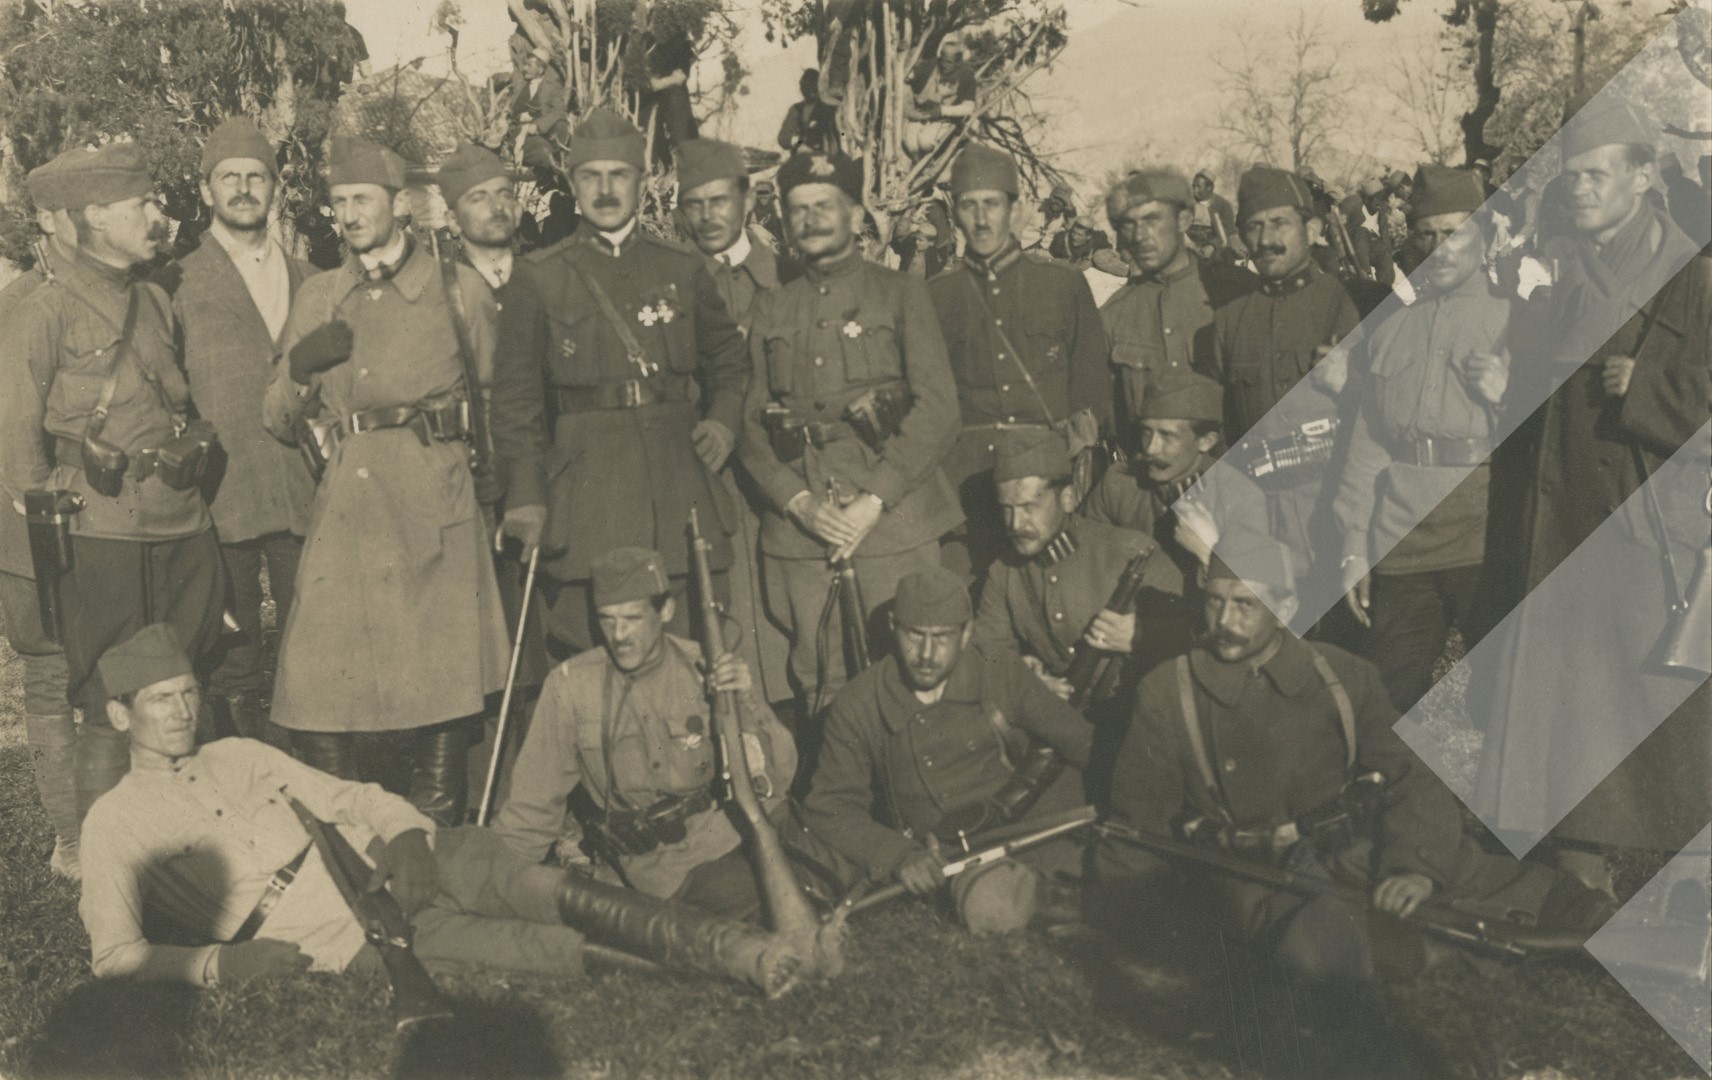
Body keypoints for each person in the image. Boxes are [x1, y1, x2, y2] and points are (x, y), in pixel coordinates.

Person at [1094, 545, 1616, 1077]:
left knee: (1528, 894)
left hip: (1354, 850)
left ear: (1286, 606)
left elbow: (1410, 774)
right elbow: (1137, 821)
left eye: (1245, 605)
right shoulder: (1169, 692)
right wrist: (1126, 914)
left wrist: (1414, 866)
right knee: (1320, 955)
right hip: (1261, 877)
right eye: (1214, 601)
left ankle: (1627, 934)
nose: (1224, 620)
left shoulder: (1341, 675)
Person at [78, 624, 797, 995]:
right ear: (118, 714)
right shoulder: (114, 823)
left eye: (188, 693)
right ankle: (741, 962)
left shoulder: (237, 753)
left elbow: (353, 798)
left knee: (543, 891)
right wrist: (220, 967)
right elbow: (114, 957)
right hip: (347, 937)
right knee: (528, 949)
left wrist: (405, 837)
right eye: (160, 700)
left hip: (401, 860)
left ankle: (748, 949)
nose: (182, 712)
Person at [1472, 93, 1710, 896]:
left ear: (1644, 177)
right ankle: (1577, 871)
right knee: (1567, 710)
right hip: (1560, 525)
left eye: (1597, 174)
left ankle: (1676, 881)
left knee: (1655, 719)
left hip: (1647, 530)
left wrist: (1650, 390)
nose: (1578, 189)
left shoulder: (1695, 280)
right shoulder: (1561, 279)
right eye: (1569, 176)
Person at [262, 136, 510, 827]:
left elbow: (498, 400)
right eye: (339, 201)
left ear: (399, 204)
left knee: (441, 675)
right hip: (349, 504)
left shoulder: (457, 290)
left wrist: (494, 495)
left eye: (362, 199)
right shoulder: (319, 295)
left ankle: (436, 833)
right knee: (316, 673)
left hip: (434, 498)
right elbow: (276, 418)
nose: (349, 215)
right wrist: (301, 367)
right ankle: (345, 835)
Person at [0, 141, 228, 825]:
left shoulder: (154, 300)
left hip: (182, 520)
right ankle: (106, 852)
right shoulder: (42, 310)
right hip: (102, 532)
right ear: (96, 215)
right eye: (142, 204)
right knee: (110, 697)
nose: (157, 216)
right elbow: (16, 438)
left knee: (185, 679)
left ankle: (187, 837)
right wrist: (62, 511)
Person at [492, 109, 750, 655]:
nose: (605, 190)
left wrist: (723, 422)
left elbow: (730, 359)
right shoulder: (539, 277)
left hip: (678, 490)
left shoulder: (681, 268)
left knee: (692, 649)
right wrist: (527, 495)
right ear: (573, 183)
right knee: (588, 651)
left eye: (619, 175)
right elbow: (516, 401)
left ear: (641, 181)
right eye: (591, 176)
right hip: (588, 500)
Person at [737, 150, 962, 713]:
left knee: (910, 679)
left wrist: (875, 499)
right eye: (798, 209)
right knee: (823, 683)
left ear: (857, 214)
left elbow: (938, 409)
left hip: (893, 522)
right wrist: (798, 503)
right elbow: (747, 423)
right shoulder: (771, 308)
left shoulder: (900, 293)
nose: (811, 219)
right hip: (803, 532)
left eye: (825, 206)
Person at [492, 547, 797, 917]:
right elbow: (531, 810)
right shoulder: (571, 687)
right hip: (663, 870)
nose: (618, 635)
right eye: (606, 619)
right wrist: (491, 884)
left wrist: (746, 699)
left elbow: (780, 775)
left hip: (730, 835)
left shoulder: (705, 667)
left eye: (632, 618)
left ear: (665, 611)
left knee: (812, 874)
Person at [799, 567, 1093, 933]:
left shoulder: (998, 670)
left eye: (941, 637)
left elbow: (1082, 742)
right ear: (893, 627)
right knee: (990, 905)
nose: (926, 654)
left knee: (1112, 863)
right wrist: (899, 855)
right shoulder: (858, 704)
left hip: (1038, 823)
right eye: (914, 634)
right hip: (960, 855)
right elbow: (829, 807)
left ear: (966, 633)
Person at [156, 118, 314, 746]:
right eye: (229, 177)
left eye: (256, 176)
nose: (244, 188)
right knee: (231, 651)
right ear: (205, 189)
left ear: (275, 186)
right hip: (223, 493)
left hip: (304, 488)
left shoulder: (310, 277)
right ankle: (237, 772)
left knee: (314, 634)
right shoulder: (176, 282)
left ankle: (311, 771)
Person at [1334, 165, 1511, 712]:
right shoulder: (1390, 327)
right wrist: (1353, 544)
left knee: (1506, 701)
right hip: (1402, 537)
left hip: (1485, 536)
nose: (1439, 248)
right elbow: (1368, 445)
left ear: (1484, 236)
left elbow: (1552, 442)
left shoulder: (1517, 318)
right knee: (1385, 701)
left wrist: (1509, 396)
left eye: (1454, 233)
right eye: (1425, 234)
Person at [928, 144, 1112, 579]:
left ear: (1015, 210)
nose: (981, 219)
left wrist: (1074, 464)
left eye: (992, 204)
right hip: (965, 484)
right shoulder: (936, 295)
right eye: (968, 205)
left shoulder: (1061, 285)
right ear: (955, 214)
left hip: (1046, 480)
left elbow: (1091, 389)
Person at [971, 430, 1188, 796]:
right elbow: (987, 655)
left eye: (1028, 507)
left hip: (1144, 722)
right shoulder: (1003, 573)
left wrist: (1139, 636)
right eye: (1006, 509)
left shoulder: (1130, 552)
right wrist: (1026, 681)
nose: (1014, 524)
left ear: (1068, 497)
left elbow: (1195, 634)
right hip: (1066, 725)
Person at [674, 139, 798, 702]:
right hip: (710, 476)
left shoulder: (789, 276)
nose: (708, 216)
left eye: (720, 200)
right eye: (694, 203)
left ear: (747, 200)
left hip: (783, 480)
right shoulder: (671, 282)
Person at [1204, 166, 1362, 598]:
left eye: (1279, 223)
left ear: (1311, 229)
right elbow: (1219, 428)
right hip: (1261, 518)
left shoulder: (1348, 302)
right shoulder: (1230, 321)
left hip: (1334, 511)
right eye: (1254, 227)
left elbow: (1379, 414)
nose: (1265, 239)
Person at [0, 150, 83, 878]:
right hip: (33, 529)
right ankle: (72, 840)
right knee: (53, 678)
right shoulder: (21, 306)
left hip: (115, 519)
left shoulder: (129, 293)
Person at [1099, 168, 1255, 429]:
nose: (1139, 236)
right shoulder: (1114, 313)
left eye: (1151, 220)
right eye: (1128, 224)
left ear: (1183, 220)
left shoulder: (1236, 294)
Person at [1081, 373, 1268, 583]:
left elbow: (1254, 591)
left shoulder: (1239, 497)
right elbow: (1084, 557)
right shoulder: (1119, 483)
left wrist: (1206, 553)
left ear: (1206, 441)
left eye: (1167, 436)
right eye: (1146, 432)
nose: (1150, 449)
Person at [903, 34, 977, 157]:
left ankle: (947, 148)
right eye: (942, 60)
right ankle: (919, 162)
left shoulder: (966, 76)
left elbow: (969, 108)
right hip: (923, 114)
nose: (943, 64)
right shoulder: (929, 66)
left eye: (949, 62)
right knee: (911, 144)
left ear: (958, 62)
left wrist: (943, 111)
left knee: (925, 142)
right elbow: (908, 76)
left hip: (945, 118)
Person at [777, 69, 839, 156]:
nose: (811, 93)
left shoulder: (830, 108)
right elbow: (783, 138)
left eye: (813, 89)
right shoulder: (796, 109)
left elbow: (842, 133)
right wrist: (799, 141)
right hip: (803, 156)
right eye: (807, 88)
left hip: (827, 155)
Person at [1187, 170, 1238, 258]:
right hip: (1190, 249)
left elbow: (1228, 231)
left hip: (1215, 251)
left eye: (1198, 187)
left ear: (1209, 187)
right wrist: (1192, 246)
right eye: (1193, 186)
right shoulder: (1187, 204)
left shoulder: (1223, 205)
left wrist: (1212, 246)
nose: (1195, 190)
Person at [749, 178, 784, 248]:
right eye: (759, 193)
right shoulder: (755, 204)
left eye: (766, 192)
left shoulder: (778, 207)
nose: (762, 196)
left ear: (772, 193)